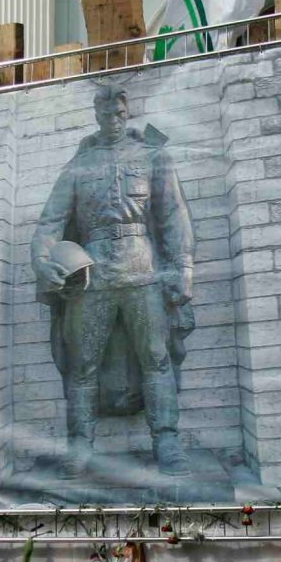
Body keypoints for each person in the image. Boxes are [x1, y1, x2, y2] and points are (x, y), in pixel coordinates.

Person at [31, 84, 196, 478]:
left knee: (156, 359)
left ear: (127, 112)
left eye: (120, 113)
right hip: (92, 275)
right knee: (82, 365)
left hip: (143, 269)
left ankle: (167, 442)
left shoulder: (153, 156)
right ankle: (80, 447)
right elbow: (50, 222)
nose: (113, 120)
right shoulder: (78, 167)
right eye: (106, 114)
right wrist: (41, 261)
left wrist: (184, 267)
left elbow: (174, 216)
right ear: (96, 116)